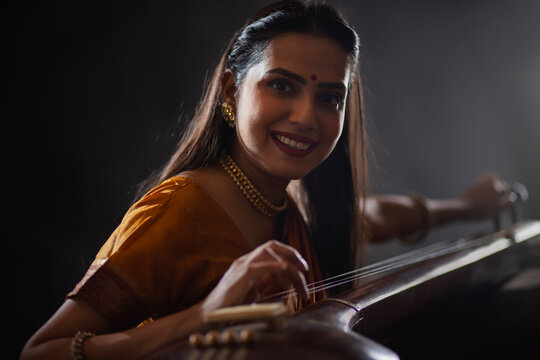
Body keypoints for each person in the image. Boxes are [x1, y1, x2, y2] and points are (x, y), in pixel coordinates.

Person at [20, 1, 514, 359]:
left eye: (330, 99)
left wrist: (466, 208)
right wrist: (207, 313)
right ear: (232, 93)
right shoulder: (180, 208)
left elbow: (364, 217)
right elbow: (42, 352)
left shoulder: (287, 202)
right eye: (282, 86)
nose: (306, 117)